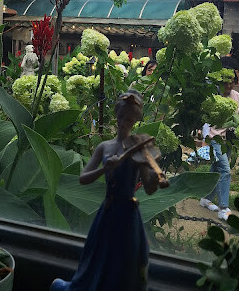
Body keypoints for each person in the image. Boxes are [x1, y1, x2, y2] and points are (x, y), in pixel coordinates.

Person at [50, 90, 165, 291]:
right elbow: (83, 178)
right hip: (108, 210)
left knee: (127, 257)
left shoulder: (139, 149)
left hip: (128, 213)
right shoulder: (104, 147)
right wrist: (105, 169)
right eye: (121, 117)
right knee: (99, 253)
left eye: (129, 119)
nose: (123, 123)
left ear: (134, 121)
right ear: (116, 115)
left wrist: (155, 178)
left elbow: (148, 188)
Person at [199, 78, 239, 221]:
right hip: (215, 139)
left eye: (232, 82)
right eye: (226, 82)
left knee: (216, 169)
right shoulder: (213, 96)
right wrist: (205, 140)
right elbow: (205, 120)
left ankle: (206, 199)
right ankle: (223, 208)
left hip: (229, 139)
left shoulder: (236, 96)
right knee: (225, 170)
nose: (229, 85)